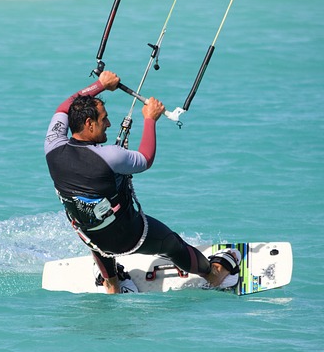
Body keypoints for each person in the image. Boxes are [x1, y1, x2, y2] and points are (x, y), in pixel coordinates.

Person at [44, 70, 240, 294]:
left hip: (87, 233)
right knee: (171, 244)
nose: (108, 123)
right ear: (89, 123)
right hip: (127, 235)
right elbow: (145, 159)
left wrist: (99, 85)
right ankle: (213, 274)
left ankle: (113, 284)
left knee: (94, 225)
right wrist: (150, 119)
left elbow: (63, 108)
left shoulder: (52, 145)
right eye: (104, 118)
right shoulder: (109, 156)